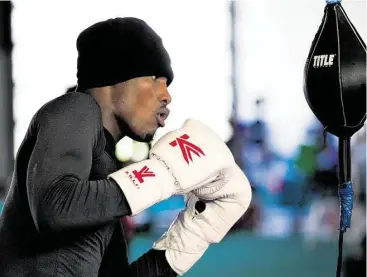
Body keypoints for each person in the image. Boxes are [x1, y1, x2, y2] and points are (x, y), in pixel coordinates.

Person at [0, 17, 252, 277]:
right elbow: (54, 208)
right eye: (155, 78)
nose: (167, 95)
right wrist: (164, 174)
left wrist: (188, 239)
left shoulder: (105, 175)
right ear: (115, 75)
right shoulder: (75, 108)